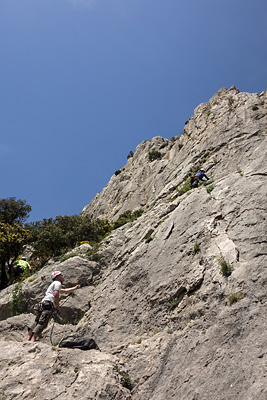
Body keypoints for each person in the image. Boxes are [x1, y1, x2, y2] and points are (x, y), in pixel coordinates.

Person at [27, 271, 80, 342]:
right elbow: (56, 294)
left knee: (37, 321)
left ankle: (28, 340)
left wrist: (75, 288)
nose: (63, 276)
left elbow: (64, 291)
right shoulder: (58, 283)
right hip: (48, 304)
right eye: (61, 275)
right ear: (58, 277)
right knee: (42, 323)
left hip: (43, 303)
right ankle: (32, 341)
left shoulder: (53, 284)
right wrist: (58, 307)